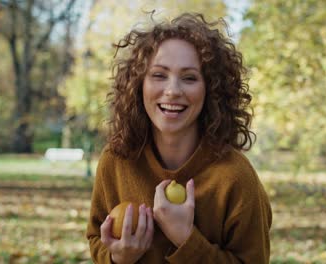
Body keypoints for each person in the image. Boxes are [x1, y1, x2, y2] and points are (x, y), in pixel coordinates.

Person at [87, 12, 272, 264]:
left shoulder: (236, 178)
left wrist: (185, 238)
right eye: (159, 75)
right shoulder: (115, 160)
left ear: (211, 90)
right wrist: (118, 257)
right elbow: (96, 237)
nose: (173, 91)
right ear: (139, 84)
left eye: (189, 78)